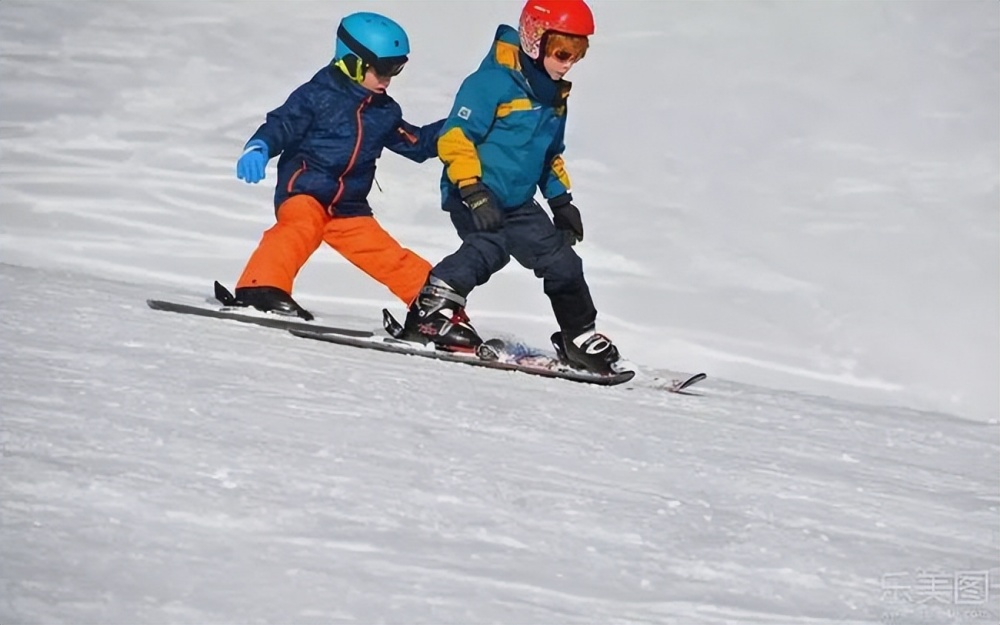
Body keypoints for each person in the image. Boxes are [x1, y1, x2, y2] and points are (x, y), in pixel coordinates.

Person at [398, 0, 624, 375]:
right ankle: (431, 310)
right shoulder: (490, 84)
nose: (568, 64)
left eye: (577, 55)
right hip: (473, 191)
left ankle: (578, 336)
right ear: (535, 39)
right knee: (490, 246)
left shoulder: (554, 98)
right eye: (563, 52)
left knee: (563, 261)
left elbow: (549, 154)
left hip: (518, 201)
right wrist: (472, 188)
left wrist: (561, 201)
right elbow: (455, 138)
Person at [230, 12, 443, 321]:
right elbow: (282, 124)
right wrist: (259, 146)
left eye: (396, 69)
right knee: (299, 228)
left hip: (348, 207)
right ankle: (260, 286)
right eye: (383, 68)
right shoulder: (316, 95)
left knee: (388, 255)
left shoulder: (384, 110)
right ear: (353, 61)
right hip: (306, 191)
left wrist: (464, 126)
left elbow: (418, 144)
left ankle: (434, 309)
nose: (388, 78)